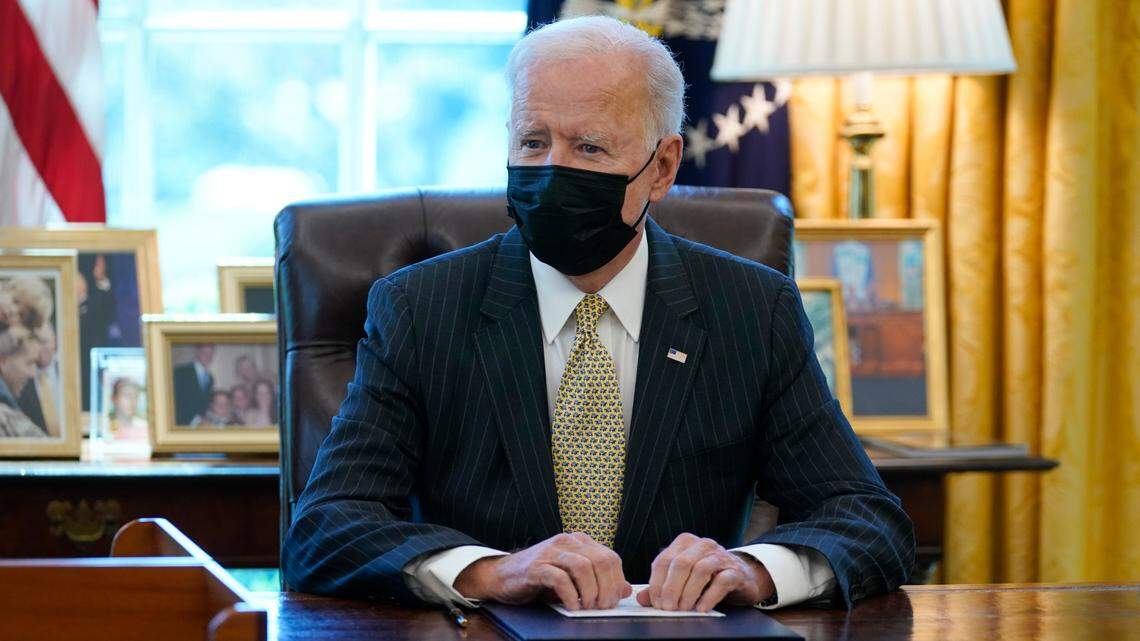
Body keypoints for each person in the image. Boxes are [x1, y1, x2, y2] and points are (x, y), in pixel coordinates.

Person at [283, 16, 913, 614]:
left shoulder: (751, 310)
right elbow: (326, 527)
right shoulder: (421, 308)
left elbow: (865, 519)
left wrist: (751, 572)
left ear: (661, 167)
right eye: (533, 141)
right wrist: (492, 572)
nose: (552, 170)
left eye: (588, 148)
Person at [172, 344, 215, 425]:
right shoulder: (180, 372)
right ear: (197, 353)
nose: (208, 356)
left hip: (201, 427)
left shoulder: (210, 378)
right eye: (205, 353)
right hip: (181, 424)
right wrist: (196, 420)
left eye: (210, 354)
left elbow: (205, 404)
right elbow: (176, 401)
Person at [107, 377, 147, 441]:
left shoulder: (144, 427)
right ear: (114, 398)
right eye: (127, 395)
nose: (132, 401)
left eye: (136, 396)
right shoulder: (105, 427)